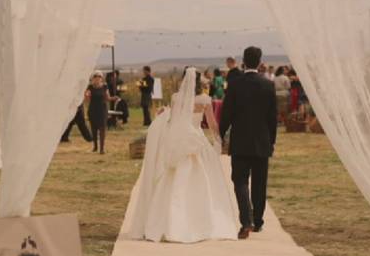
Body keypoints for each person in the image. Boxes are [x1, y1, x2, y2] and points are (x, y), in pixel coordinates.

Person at [121, 68, 238, 243]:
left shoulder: (176, 98)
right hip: (197, 140)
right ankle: (199, 221)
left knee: (172, 179)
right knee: (202, 179)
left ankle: (169, 222)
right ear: (199, 81)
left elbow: (173, 121)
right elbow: (212, 124)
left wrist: (163, 115)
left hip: (179, 141)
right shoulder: (205, 100)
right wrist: (218, 140)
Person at [220, 46, 277, 240]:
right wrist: (272, 141)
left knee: (240, 181)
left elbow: (226, 113)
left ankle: (246, 221)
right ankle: (258, 222)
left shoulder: (235, 84)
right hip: (262, 141)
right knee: (260, 183)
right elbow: (272, 118)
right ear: (260, 62)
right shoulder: (268, 85)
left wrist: (220, 134)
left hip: (240, 141)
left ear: (243, 61)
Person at [86, 71, 111, 154]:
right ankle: (95, 146)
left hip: (102, 110)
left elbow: (108, 97)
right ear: (93, 78)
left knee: (102, 129)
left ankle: (102, 149)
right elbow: (87, 99)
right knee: (94, 129)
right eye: (95, 77)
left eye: (99, 76)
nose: (97, 78)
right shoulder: (90, 87)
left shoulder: (105, 86)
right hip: (93, 110)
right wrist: (86, 95)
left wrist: (114, 98)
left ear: (101, 78)